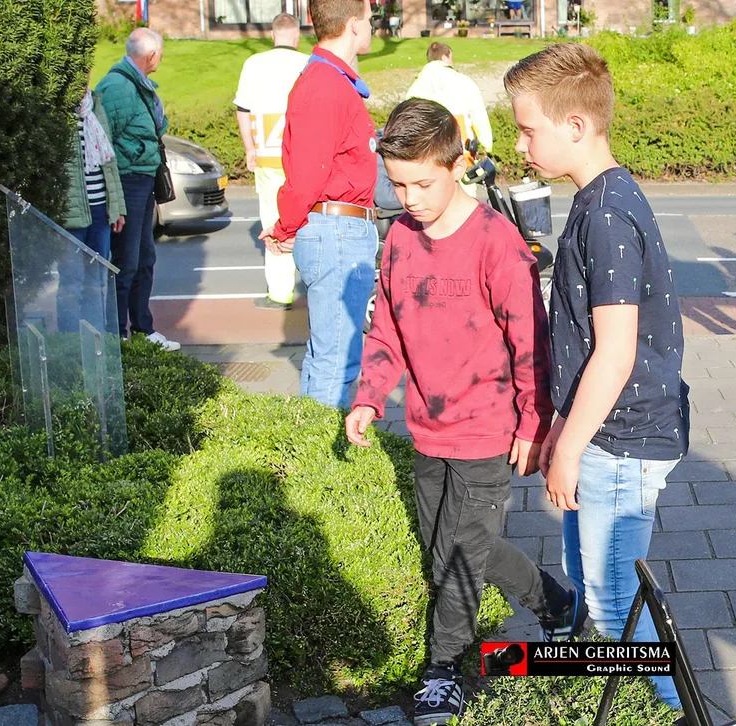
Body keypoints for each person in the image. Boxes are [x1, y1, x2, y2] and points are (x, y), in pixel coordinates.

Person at [346, 98, 585, 726]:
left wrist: (536, 425)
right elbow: (386, 330)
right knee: (442, 547)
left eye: (422, 183)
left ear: (457, 166)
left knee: (459, 556)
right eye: (397, 185)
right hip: (428, 427)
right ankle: (555, 601)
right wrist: (370, 396)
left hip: (487, 431)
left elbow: (532, 343)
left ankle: (444, 670)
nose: (410, 198)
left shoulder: (495, 242)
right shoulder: (398, 238)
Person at [505, 42, 689, 710]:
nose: (520, 144)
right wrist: (560, 429)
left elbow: (613, 351)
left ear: (576, 127)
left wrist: (571, 447)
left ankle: (667, 713)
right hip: (609, 433)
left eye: (529, 129)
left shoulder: (606, 215)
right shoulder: (601, 197)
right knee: (596, 594)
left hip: (621, 439)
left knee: (619, 616)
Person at [260, 0, 378, 409]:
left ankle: (309, 456)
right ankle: (321, 469)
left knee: (326, 356)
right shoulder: (326, 85)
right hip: (339, 232)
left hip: (337, 229)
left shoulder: (329, 80)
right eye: (368, 18)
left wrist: (289, 225)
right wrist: (285, 227)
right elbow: (309, 173)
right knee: (336, 362)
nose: (372, 25)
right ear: (352, 26)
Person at [96, 28, 181, 352]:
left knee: (144, 258)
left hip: (141, 181)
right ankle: (119, 333)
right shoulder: (118, 87)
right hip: (130, 181)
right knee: (127, 261)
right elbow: (106, 140)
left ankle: (143, 329)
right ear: (151, 56)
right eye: (160, 53)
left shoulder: (135, 84)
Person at [233, 13, 308, 311]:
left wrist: (249, 149)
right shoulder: (308, 63)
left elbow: (243, 109)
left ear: (273, 35)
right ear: (297, 37)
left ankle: (280, 294)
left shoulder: (254, 64)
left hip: (267, 155)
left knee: (274, 221)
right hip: (302, 156)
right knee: (309, 220)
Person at [55, 74, 126, 335]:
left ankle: (96, 341)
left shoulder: (95, 106)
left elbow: (110, 162)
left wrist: (117, 208)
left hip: (100, 211)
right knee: (71, 282)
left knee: (97, 281)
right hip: (71, 216)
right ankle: (70, 341)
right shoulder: (57, 112)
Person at [406, 42, 493, 195]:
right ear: (446, 56)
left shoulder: (416, 87)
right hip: (459, 152)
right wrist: (487, 145)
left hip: (427, 156)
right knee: (464, 201)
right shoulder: (463, 81)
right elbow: (478, 115)